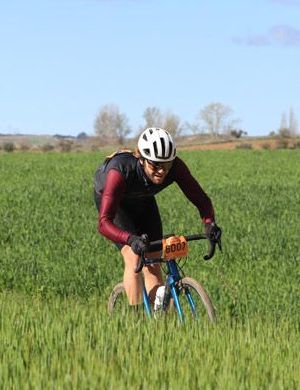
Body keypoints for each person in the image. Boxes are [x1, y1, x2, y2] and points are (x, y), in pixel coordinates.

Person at [93, 127, 221, 307]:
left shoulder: (176, 167)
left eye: (167, 165)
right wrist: (130, 239)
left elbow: (202, 200)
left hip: (143, 200)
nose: (162, 171)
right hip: (116, 204)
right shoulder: (120, 172)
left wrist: (210, 225)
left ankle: (159, 326)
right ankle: (135, 322)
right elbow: (103, 223)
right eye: (155, 165)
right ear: (141, 158)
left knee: (154, 262)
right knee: (134, 257)